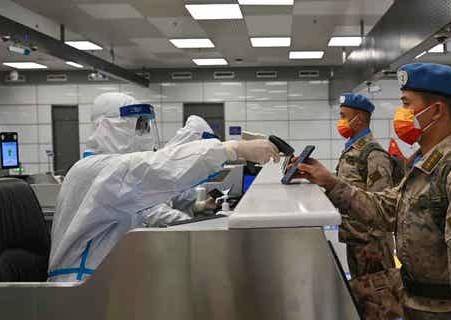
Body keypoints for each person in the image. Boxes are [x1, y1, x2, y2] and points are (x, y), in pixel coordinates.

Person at [292, 63, 451, 319]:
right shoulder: (424, 165)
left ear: (437, 111)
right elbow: (386, 209)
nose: (402, 113)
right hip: (416, 305)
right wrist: (330, 182)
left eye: (407, 104)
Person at [48, 92, 279, 282]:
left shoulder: (114, 171)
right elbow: (159, 169)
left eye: (146, 125)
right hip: (81, 289)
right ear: (107, 127)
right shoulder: (92, 170)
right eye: (138, 125)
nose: (145, 133)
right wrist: (231, 149)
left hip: (107, 282)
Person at [334, 92, 404, 319]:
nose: (341, 121)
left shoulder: (373, 154)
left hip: (371, 244)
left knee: (380, 304)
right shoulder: (352, 150)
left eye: (344, 116)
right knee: (364, 300)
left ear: (360, 119)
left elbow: (381, 203)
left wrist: (375, 244)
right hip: (356, 239)